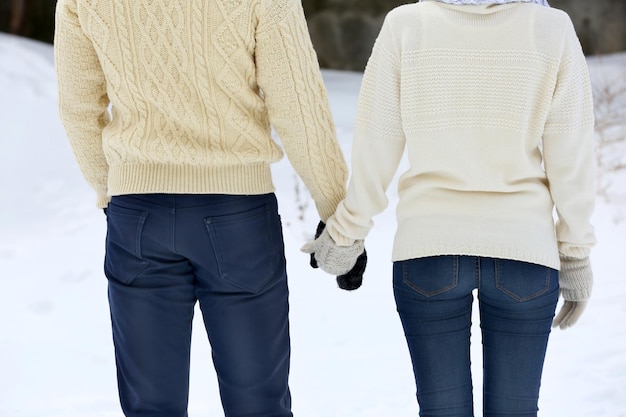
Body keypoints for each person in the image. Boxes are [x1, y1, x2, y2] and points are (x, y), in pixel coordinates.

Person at [53, 0, 358, 415]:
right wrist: (337, 214)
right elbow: (297, 105)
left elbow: (78, 106)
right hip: (238, 218)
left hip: (139, 216)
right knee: (258, 405)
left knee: (150, 407)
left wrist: (113, 192)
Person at [302, 0, 596, 416]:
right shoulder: (552, 28)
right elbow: (573, 155)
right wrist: (575, 252)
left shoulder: (406, 24)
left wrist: (347, 231)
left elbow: (376, 142)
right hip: (523, 255)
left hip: (428, 252)